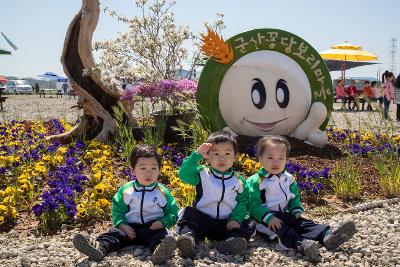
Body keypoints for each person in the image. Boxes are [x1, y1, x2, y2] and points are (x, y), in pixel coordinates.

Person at [247, 135, 356, 262]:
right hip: (263, 219)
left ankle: (327, 236)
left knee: (304, 224)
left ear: (286, 160)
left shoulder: (288, 178)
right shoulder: (256, 181)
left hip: (284, 214)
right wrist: (268, 217)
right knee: (283, 230)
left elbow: (294, 198)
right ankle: (302, 244)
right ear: (260, 159)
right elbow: (253, 205)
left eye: (280, 158)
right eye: (270, 157)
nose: (275, 162)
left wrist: (296, 211)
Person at [72, 145, 179, 265]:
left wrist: (163, 222)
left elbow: (173, 212)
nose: (148, 172)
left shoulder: (162, 192)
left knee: (161, 236)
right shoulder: (127, 190)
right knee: (114, 234)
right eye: (143, 168)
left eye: (154, 168)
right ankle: (99, 247)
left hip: (152, 228)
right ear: (133, 170)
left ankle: (161, 250)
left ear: (159, 170)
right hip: (129, 228)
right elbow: (118, 210)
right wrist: (122, 224)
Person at [176, 128, 255, 257]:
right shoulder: (202, 174)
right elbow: (183, 174)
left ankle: (231, 242)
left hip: (226, 224)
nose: (222, 158)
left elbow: (243, 202)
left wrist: (236, 219)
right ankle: (189, 239)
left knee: (249, 223)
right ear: (208, 157)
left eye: (227, 154)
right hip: (204, 221)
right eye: (216, 154)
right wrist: (196, 155)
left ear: (235, 157)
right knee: (187, 212)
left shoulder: (239, 181)